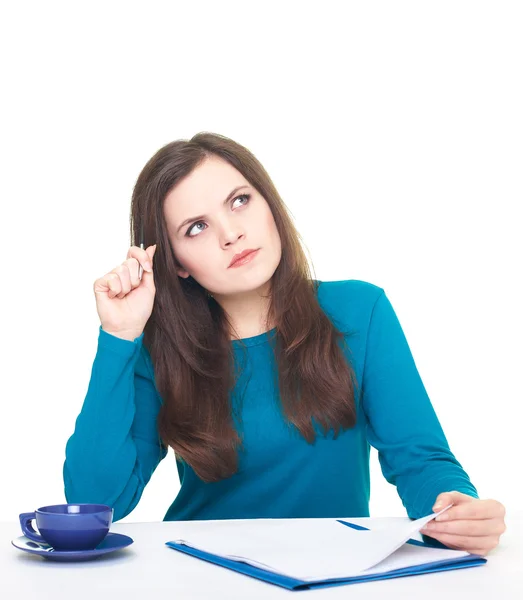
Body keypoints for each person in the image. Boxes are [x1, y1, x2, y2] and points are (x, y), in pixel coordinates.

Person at [63, 132, 506, 556]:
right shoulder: (160, 350)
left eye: (240, 201)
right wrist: (118, 338)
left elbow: (421, 460)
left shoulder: (360, 310)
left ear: (269, 204)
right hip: (198, 575)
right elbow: (97, 500)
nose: (230, 234)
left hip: (333, 576)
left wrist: (457, 511)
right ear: (175, 262)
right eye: (196, 227)